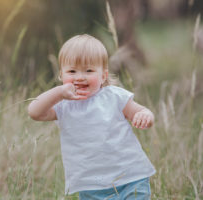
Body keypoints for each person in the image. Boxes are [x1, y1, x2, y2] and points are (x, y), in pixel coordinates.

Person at [28, 34, 155, 199]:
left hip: (130, 178)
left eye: (89, 70)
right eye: (72, 71)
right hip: (91, 185)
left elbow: (140, 111)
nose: (80, 76)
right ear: (61, 75)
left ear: (103, 75)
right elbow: (34, 111)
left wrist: (145, 116)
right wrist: (59, 92)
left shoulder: (114, 97)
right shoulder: (64, 105)